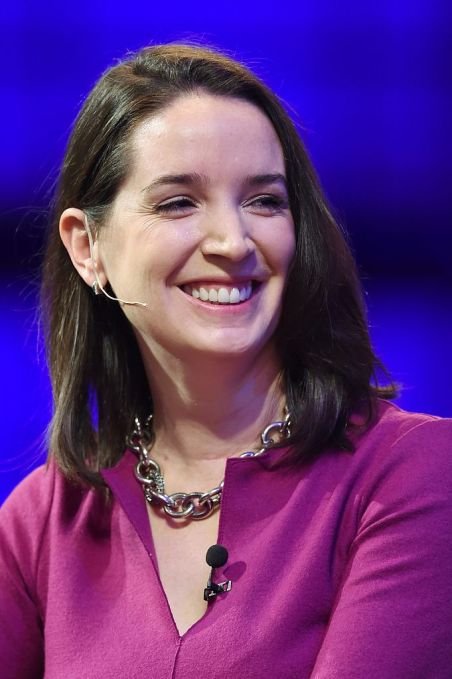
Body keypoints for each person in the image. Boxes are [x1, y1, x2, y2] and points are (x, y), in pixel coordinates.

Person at [0, 43, 451, 679]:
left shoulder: (412, 476)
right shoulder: (40, 523)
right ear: (87, 247)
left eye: (264, 201)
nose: (233, 242)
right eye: (178, 202)